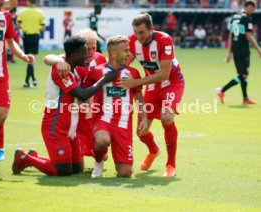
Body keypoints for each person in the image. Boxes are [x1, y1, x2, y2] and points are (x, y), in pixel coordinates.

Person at [11, 36, 117, 176]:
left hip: (70, 128)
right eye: (84, 52)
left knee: (77, 169)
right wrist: (104, 79)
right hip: (56, 127)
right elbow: (82, 95)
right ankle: (25, 157)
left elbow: (54, 57)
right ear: (73, 55)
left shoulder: (69, 65)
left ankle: (35, 156)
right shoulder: (61, 70)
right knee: (63, 170)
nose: (87, 56)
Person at [118, 13, 185, 178]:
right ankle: (153, 151)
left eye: (142, 32)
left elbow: (163, 75)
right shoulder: (132, 41)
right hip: (152, 86)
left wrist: (135, 83)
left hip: (171, 83)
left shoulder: (164, 40)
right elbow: (123, 63)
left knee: (166, 118)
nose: (138, 36)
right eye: (136, 32)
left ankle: (171, 165)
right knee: (141, 131)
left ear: (151, 28)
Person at [83, 35, 148, 178]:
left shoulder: (133, 73)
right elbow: (84, 93)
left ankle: (116, 159)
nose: (129, 54)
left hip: (124, 125)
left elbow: (139, 99)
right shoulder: (96, 72)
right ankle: (99, 161)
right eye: (125, 50)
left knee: (125, 173)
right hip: (104, 121)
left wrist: (144, 118)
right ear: (113, 53)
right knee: (101, 141)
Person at [43, 29, 107, 159]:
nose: (90, 53)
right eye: (87, 49)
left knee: (101, 153)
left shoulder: (100, 59)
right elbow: (47, 58)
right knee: (78, 146)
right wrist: (58, 61)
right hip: (76, 107)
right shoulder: (69, 63)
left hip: (94, 106)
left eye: (93, 48)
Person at [0, 0, 34, 159]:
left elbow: (11, 43)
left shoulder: (5, 16)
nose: (3, 2)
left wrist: (23, 56)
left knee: (0, 115)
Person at [216, 0, 261, 105]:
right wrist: (258, 49)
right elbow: (249, 36)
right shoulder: (247, 18)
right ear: (248, 7)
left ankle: (245, 98)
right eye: (253, 8)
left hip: (236, 48)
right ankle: (222, 90)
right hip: (243, 49)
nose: (253, 11)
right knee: (244, 74)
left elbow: (231, 35)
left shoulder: (235, 17)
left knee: (242, 74)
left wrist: (229, 52)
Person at [17, 0, 45, 88]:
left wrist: (25, 26)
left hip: (25, 37)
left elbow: (18, 26)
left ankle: (29, 80)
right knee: (30, 59)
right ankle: (30, 80)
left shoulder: (22, 12)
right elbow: (43, 28)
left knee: (29, 59)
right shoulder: (40, 13)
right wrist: (36, 26)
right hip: (34, 37)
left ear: (28, 2)